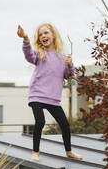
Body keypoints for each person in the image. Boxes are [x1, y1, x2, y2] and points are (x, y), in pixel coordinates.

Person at [17, 23, 82, 161]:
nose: (43, 36)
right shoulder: (40, 54)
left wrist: (70, 65)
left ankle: (69, 151)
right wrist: (26, 39)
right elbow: (28, 55)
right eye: (40, 35)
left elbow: (69, 77)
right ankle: (35, 152)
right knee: (40, 121)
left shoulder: (62, 57)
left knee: (64, 124)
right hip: (37, 95)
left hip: (53, 98)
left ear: (53, 35)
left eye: (46, 33)